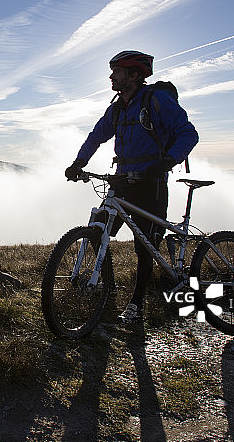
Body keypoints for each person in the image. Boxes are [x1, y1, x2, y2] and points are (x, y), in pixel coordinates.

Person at [64, 50, 198, 325]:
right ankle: (106, 289)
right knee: (98, 231)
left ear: (135, 75)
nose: (111, 77)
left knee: (145, 246)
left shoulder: (156, 100)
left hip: (152, 182)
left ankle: (137, 304)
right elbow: (96, 136)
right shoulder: (117, 108)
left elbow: (188, 133)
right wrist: (78, 162)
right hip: (122, 179)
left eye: (117, 72)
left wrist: (169, 161)